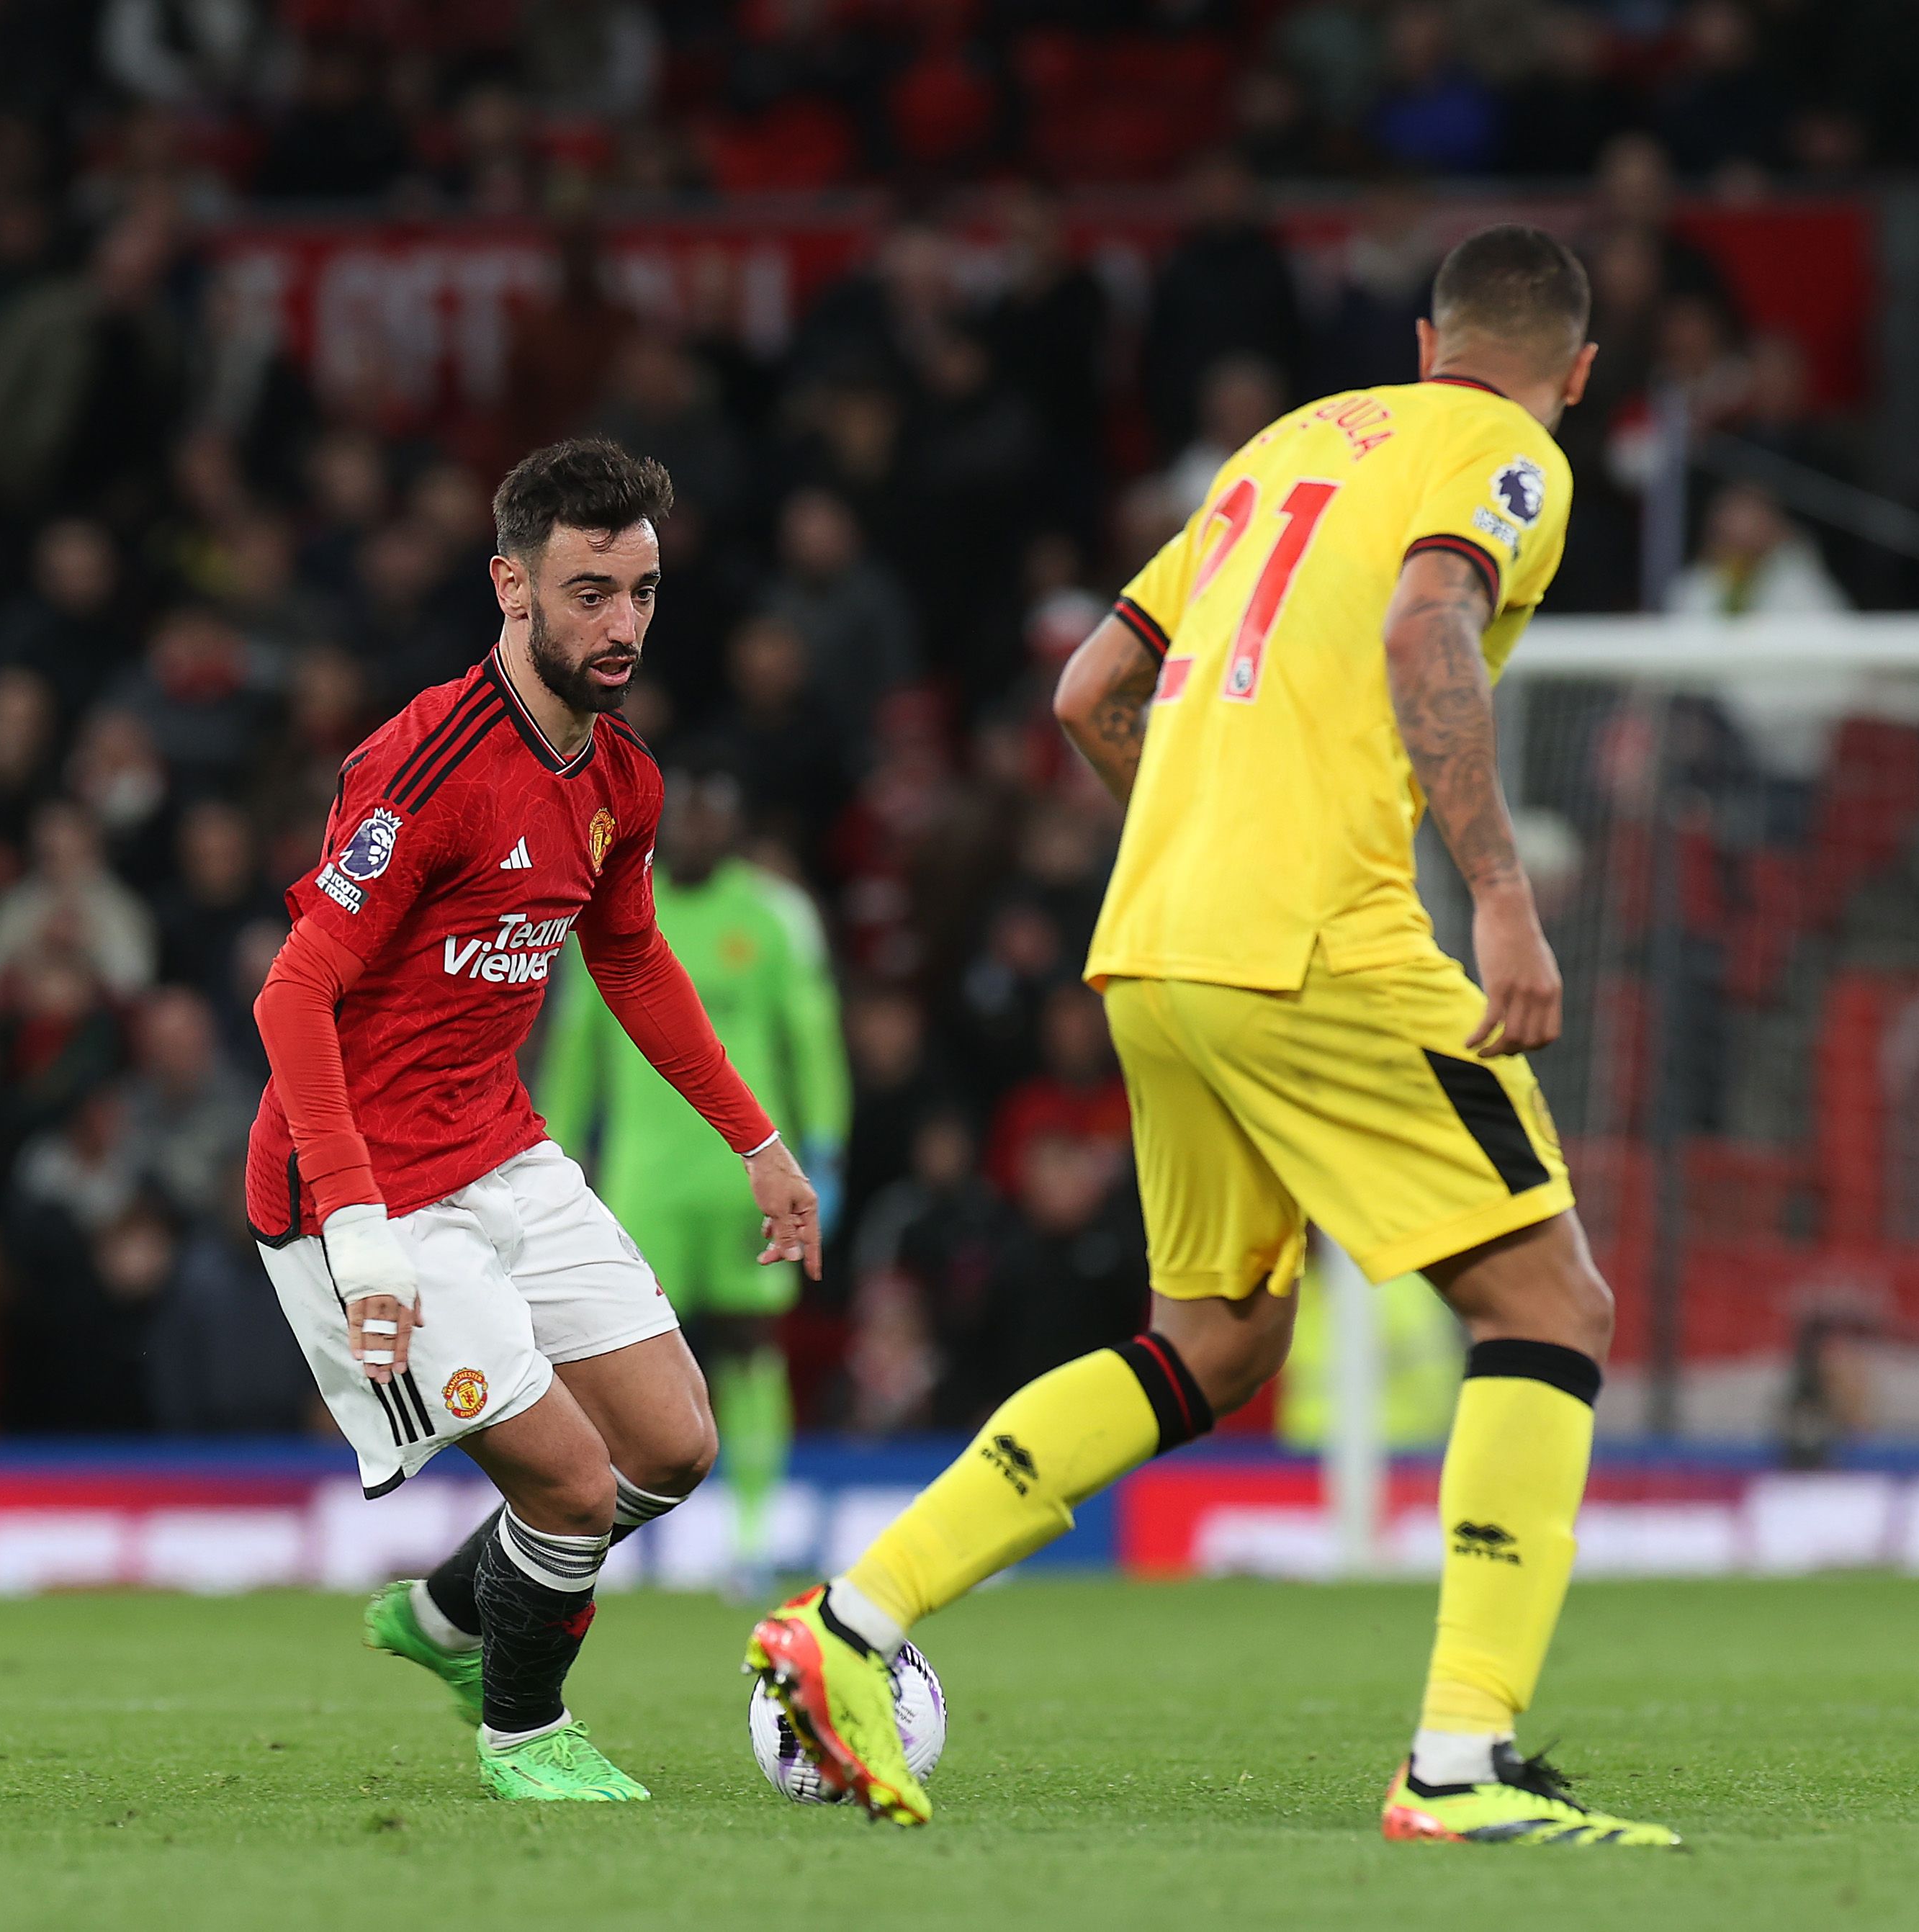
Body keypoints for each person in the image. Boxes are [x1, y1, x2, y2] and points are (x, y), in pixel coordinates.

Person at [747, 227, 1684, 1849]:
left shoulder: (1289, 441)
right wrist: (1506, 898)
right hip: (1315, 936)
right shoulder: (1510, 452)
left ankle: (852, 1622)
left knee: (1218, 1340)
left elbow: (1090, 687)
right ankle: (1461, 1768)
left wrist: (1203, 855)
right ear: (1578, 371)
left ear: (1419, 335)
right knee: (1553, 1300)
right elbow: (1423, 631)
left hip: (1158, 941)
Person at [248, 440, 820, 1802]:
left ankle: (454, 1610)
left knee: (675, 1445)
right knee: (568, 1484)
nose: (621, 626)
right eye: (587, 593)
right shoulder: (425, 765)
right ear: (510, 583)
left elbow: (628, 960)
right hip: (362, 1184)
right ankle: (523, 1728)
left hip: (498, 1147)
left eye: (640, 592)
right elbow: (292, 994)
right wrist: (359, 1222)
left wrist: (758, 1139)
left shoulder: (622, 778)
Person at [536, 764, 848, 1593]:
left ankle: (752, 1535)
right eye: (692, 815)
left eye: (720, 814)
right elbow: (573, 1050)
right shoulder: (610, 908)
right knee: (618, 1354)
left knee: (750, 1350)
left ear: (739, 824)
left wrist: (825, 1150)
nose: (704, 829)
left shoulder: (776, 915)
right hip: (646, 1176)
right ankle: (609, 1536)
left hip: (742, 1174)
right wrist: (551, 1151)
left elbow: (811, 1040)